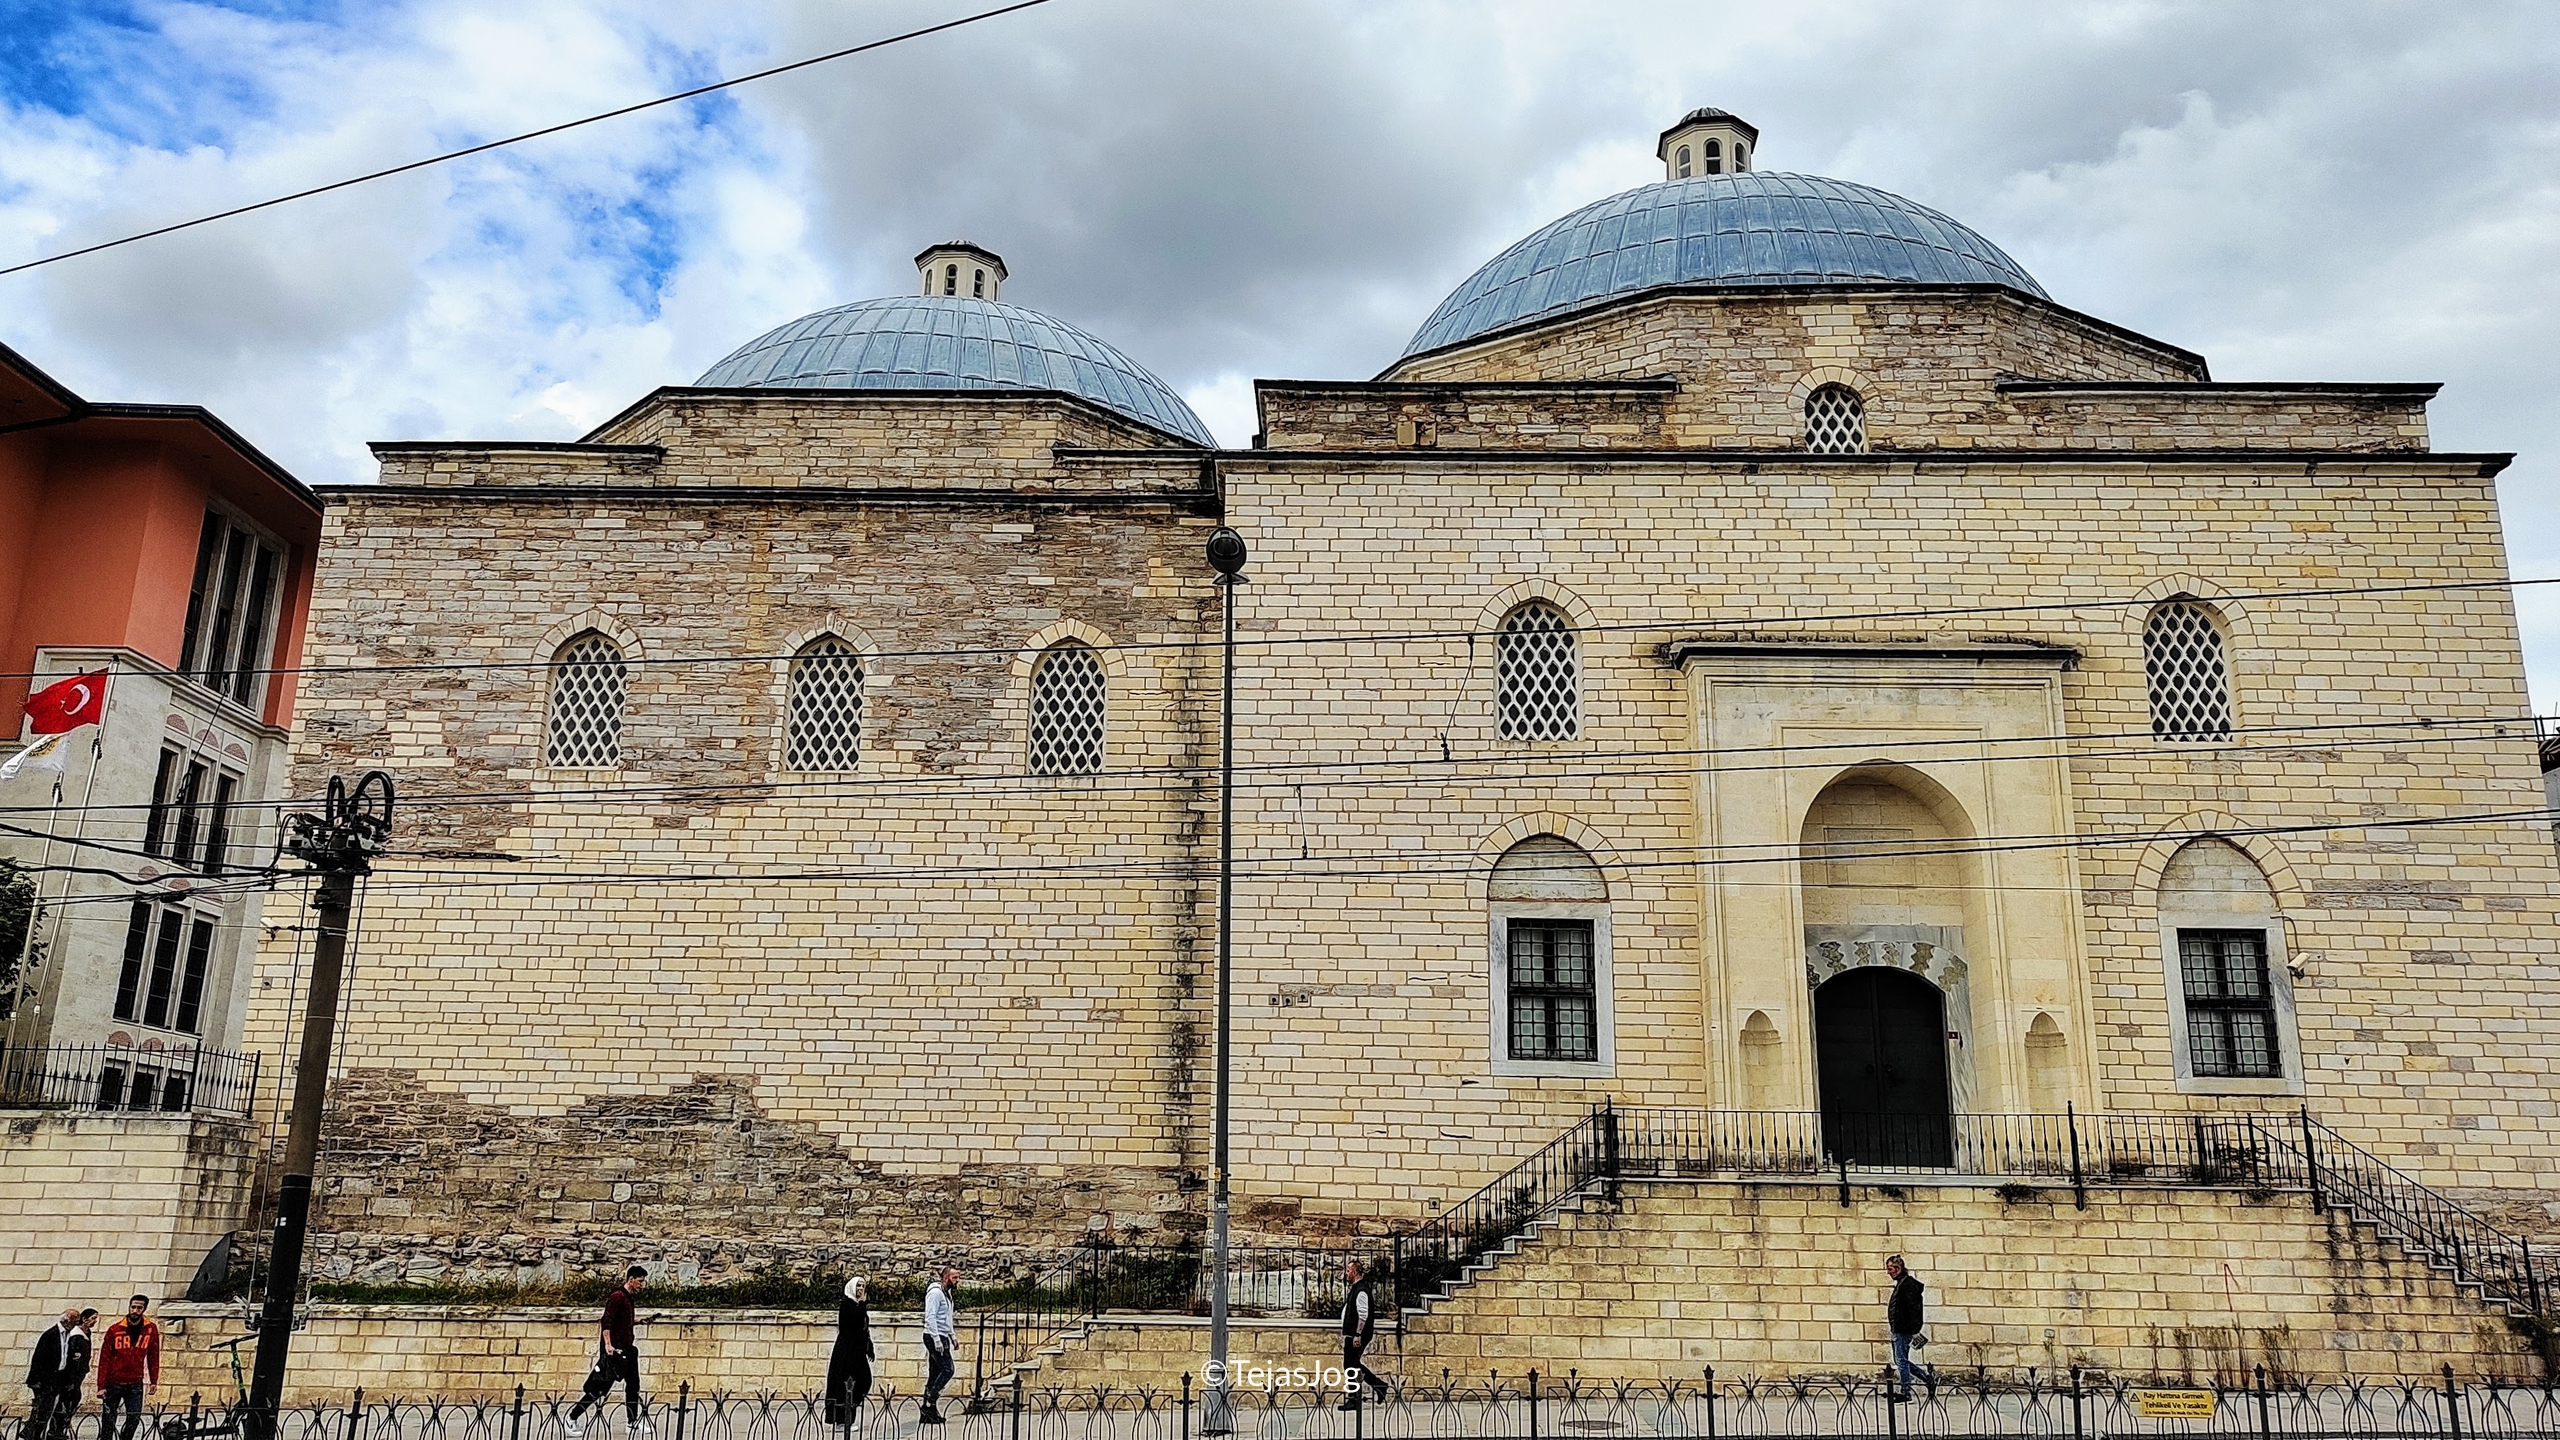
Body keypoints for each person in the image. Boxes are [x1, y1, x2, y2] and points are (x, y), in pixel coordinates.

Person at [565, 1266, 648, 1439]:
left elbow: (621, 1321)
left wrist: (637, 1322)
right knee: (599, 1389)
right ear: (631, 1279)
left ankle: (631, 1422)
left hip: (628, 1350)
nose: (642, 1285)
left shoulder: (629, 1298)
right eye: (640, 1281)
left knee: (633, 1386)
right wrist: (608, 1345)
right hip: (614, 1352)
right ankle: (572, 1418)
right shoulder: (617, 1297)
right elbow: (606, 1321)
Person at [92, 1296, 157, 1440]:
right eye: (133, 1307)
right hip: (113, 1381)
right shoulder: (115, 1329)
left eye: (139, 1308)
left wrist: (154, 1380)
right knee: (109, 1419)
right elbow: (104, 1359)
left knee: (134, 1417)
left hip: (135, 1382)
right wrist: (101, 1385)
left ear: (144, 1309)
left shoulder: (150, 1329)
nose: (135, 1311)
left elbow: (153, 1355)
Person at [23, 1307, 87, 1440]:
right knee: (42, 1410)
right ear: (67, 1321)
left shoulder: (68, 1335)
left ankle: (35, 1433)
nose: (76, 1324)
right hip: (44, 1380)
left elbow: (65, 1356)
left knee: (48, 1409)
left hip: (58, 1377)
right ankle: (32, 1434)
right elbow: (38, 1358)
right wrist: (35, 1381)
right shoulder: (50, 1334)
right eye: (75, 1321)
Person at [1336, 1260, 1391, 1411]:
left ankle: (1355, 1398)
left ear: (1354, 1272)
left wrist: (1358, 1334)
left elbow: (1363, 1314)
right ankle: (1379, 1386)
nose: (1345, 1273)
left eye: (1347, 1271)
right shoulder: (1356, 1289)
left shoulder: (1361, 1291)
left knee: (1350, 1365)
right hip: (1353, 1334)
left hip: (1357, 1335)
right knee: (1352, 1364)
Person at [824, 1276, 875, 1432]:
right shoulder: (847, 1305)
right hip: (846, 1352)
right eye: (858, 1285)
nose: (861, 1289)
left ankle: (848, 1415)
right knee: (844, 1384)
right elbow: (854, 1323)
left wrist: (869, 1347)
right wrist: (862, 1303)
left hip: (857, 1352)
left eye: (863, 1286)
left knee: (863, 1381)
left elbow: (864, 1328)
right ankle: (841, 1420)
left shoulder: (858, 1305)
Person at [1883, 1255, 1935, 1401]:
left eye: (1890, 1269)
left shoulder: (1908, 1285)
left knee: (1901, 1360)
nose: (1888, 1272)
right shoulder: (1902, 1283)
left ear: (1898, 1269)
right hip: (1898, 1329)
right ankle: (1928, 1379)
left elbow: (1914, 1309)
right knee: (1902, 1361)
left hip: (1903, 1330)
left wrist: (1914, 1330)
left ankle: (1906, 1392)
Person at [919, 1267, 959, 1425]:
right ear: (945, 1278)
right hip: (933, 1336)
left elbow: (947, 1318)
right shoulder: (935, 1293)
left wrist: (952, 1336)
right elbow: (930, 1316)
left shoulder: (947, 1294)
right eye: (954, 1278)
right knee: (947, 1369)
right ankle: (930, 1400)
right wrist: (936, 1339)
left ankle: (928, 1412)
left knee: (935, 1373)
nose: (957, 1281)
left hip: (942, 1336)